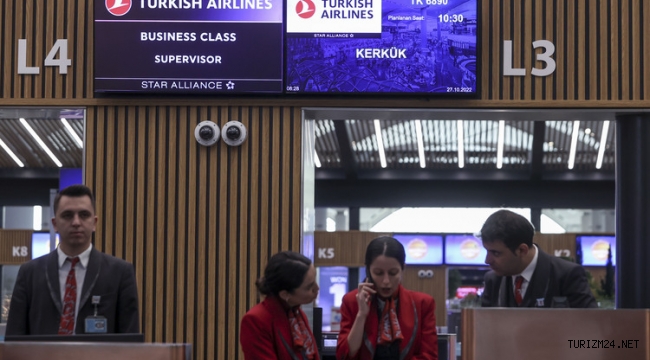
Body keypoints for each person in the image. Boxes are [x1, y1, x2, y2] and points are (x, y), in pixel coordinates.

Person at [6, 184, 140, 335]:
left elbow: (130, 342)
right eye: (67, 215)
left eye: (84, 215)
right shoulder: (29, 273)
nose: (76, 222)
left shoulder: (120, 273)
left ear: (94, 223)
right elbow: (14, 339)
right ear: (55, 224)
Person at [336, 236, 438, 360]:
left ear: (402, 269)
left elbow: (429, 356)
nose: (386, 281)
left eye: (393, 273)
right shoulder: (351, 301)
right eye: (378, 273)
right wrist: (361, 315)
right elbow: (344, 355)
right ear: (368, 271)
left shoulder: (422, 304)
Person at [479, 209, 597, 308]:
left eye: (495, 253)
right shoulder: (493, 280)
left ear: (522, 250)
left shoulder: (567, 275)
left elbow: (591, 326)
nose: (487, 260)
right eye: (487, 251)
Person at [240, 251, 320, 360]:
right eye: (309, 287)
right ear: (285, 294)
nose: (317, 288)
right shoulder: (256, 320)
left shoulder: (296, 313)